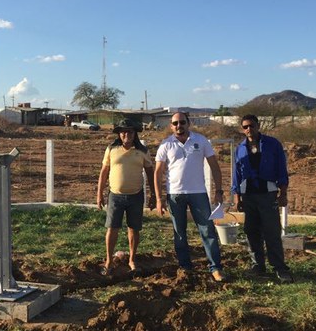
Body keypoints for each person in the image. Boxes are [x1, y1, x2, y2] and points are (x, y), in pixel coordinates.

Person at [154, 112, 226, 282]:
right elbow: (157, 173)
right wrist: (158, 198)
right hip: (175, 195)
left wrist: (219, 191)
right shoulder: (166, 144)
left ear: (188, 123)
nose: (179, 126)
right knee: (179, 233)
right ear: (171, 126)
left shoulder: (201, 140)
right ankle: (185, 267)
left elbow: (214, 166)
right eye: (175, 123)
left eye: (182, 122)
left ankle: (215, 268)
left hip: (198, 193)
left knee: (207, 230)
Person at [232, 114, 293, 282]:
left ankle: (279, 267)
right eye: (245, 127)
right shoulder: (240, 148)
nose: (249, 129)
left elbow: (281, 170)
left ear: (258, 126)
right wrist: (237, 197)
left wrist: (283, 193)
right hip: (248, 196)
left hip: (268, 195)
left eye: (251, 125)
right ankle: (257, 265)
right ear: (242, 129)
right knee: (251, 231)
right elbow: (236, 175)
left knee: (272, 231)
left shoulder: (272, 144)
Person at [96, 118, 156, 274]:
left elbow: (150, 173)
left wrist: (154, 195)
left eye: (129, 131)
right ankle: (109, 261)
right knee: (112, 228)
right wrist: (99, 194)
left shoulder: (142, 151)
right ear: (119, 134)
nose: (126, 134)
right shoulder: (111, 149)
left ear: (135, 133)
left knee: (134, 229)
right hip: (115, 196)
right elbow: (104, 173)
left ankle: (132, 260)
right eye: (123, 132)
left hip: (136, 196)